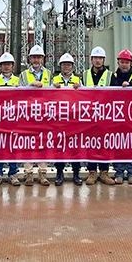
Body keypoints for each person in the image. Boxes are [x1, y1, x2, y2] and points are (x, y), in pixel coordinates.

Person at [82, 47, 116, 186]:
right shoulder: (84, 75)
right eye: (95, 58)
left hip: (105, 116)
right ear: (91, 60)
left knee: (104, 144)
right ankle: (92, 172)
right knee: (91, 143)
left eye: (100, 58)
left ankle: (104, 172)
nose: (98, 60)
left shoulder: (110, 75)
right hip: (89, 115)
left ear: (103, 60)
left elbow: (116, 95)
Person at [20, 45, 52, 186]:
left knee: (43, 143)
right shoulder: (23, 75)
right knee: (28, 143)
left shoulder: (49, 74)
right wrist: (30, 85)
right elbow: (18, 93)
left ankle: (42, 173)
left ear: (42, 59)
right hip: (28, 114)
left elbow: (53, 93)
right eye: (34, 57)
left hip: (44, 114)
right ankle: (28, 174)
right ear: (30, 59)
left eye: (39, 57)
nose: (36, 60)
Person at [0, 52, 21, 187]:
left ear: (12, 66)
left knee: (13, 146)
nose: (6, 67)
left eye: (8, 64)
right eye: (4, 64)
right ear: (0, 66)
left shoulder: (18, 81)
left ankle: (13, 173)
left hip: (13, 118)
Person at [52, 53, 82, 186]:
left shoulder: (78, 80)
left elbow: (85, 97)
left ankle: (76, 173)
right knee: (59, 146)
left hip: (74, 119)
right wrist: (52, 88)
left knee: (75, 147)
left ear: (72, 66)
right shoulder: (54, 80)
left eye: (69, 65)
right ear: (60, 66)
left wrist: (79, 88)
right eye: (64, 65)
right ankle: (59, 173)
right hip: (59, 119)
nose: (66, 67)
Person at [110, 49, 132, 185]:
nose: (124, 64)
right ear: (118, 63)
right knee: (118, 145)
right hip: (117, 117)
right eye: (122, 62)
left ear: (131, 63)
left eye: (127, 62)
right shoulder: (113, 77)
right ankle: (119, 172)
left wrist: (131, 86)